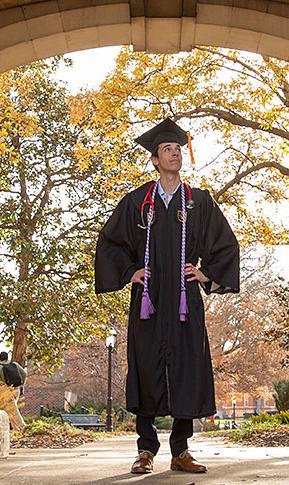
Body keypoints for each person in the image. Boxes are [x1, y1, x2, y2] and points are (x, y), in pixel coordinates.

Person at [95, 118, 240, 474]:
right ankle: (145, 450)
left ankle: (181, 450)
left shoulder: (199, 202)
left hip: (183, 299)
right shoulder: (138, 203)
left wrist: (205, 273)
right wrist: (131, 273)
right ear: (155, 160)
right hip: (149, 299)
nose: (174, 153)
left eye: (177, 148)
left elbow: (226, 243)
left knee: (186, 366)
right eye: (166, 149)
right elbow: (110, 243)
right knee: (146, 366)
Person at [0, 351, 27, 430]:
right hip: (16, 389)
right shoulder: (15, 364)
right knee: (10, 409)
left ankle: (23, 427)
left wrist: (2, 384)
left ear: (0, 358)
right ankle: (16, 429)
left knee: (13, 410)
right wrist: (22, 384)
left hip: (7, 390)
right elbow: (24, 374)